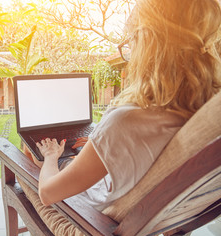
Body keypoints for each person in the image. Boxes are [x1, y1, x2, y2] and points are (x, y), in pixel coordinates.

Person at [25, 0, 221, 210]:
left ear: (148, 42)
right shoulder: (200, 110)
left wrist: (52, 155)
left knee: (31, 152)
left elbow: (47, 193)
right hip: (134, 198)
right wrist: (100, 142)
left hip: (88, 216)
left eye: (132, 39)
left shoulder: (127, 121)